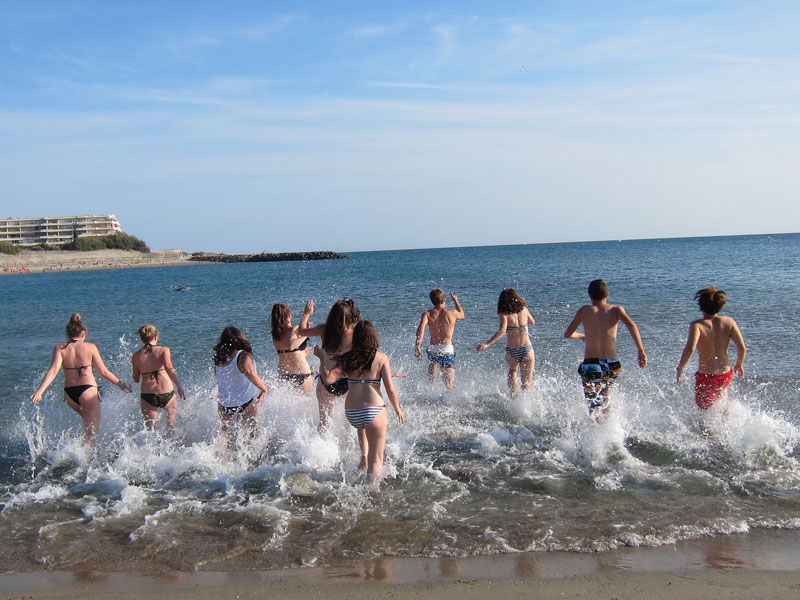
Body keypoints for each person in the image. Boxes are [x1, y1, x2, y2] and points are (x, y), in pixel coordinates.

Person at [30, 313, 131, 446]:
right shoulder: (90, 347)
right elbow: (104, 372)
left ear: (68, 334)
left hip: (69, 394)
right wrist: (121, 385)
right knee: (92, 432)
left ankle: (77, 453)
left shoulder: (60, 349)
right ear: (83, 334)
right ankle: (87, 462)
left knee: (87, 425)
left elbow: (53, 371)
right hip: (87, 391)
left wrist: (39, 392)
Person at [564, 279, 647, 423]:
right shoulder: (616, 310)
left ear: (590, 296)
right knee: (605, 394)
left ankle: (599, 433)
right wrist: (640, 350)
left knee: (593, 401)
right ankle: (610, 428)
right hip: (613, 363)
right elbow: (632, 326)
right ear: (607, 294)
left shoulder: (585, 310)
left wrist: (583, 336)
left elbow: (568, 334)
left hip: (592, 364)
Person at [341, 320, 405, 483]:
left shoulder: (347, 358)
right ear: (373, 337)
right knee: (376, 461)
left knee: (363, 429)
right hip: (373, 411)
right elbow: (390, 389)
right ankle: (372, 498)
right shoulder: (381, 358)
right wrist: (397, 409)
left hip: (352, 413)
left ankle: (364, 455)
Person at [297, 298, 361, 433]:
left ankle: (322, 450)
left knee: (324, 423)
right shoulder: (355, 332)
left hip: (326, 383)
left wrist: (307, 314)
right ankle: (349, 446)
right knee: (349, 421)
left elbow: (301, 331)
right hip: (347, 382)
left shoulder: (323, 330)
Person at [677, 287, 746, 411]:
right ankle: (726, 425)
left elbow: (690, 349)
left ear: (700, 306)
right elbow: (741, 347)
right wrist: (739, 364)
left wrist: (681, 368)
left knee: (704, 409)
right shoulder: (729, 322)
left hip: (706, 375)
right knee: (723, 398)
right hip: (725, 373)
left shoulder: (697, 325)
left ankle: (705, 429)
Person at [213, 326, 268, 446]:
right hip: (245, 402)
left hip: (224, 404)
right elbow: (250, 373)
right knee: (253, 430)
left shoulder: (218, 359)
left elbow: (218, 377)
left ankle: (219, 457)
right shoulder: (242, 356)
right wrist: (264, 389)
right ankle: (255, 458)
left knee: (225, 433)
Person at [476, 288, 536, 395]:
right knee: (526, 382)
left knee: (513, 371)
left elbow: (502, 331)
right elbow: (532, 321)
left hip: (512, 350)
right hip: (527, 349)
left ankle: (513, 398)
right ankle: (525, 404)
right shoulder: (524, 309)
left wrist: (487, 343)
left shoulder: (504, 314)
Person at [131, 324, 186, 435]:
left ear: (142, 338)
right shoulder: (163, 350)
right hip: (167, 392)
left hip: (148, 395)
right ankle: (173, 450)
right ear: (155, 337)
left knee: (151, 432)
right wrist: (179, 387)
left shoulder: (136, 356)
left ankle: (153, 452)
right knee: (171, 426)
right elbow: (169, 368)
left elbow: (136, 379)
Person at [415, 289, 465, 390]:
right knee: (449, 385)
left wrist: (418, 345)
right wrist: (456, 300)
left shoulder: (427, 314)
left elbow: (421, 330)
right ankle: (449, 404)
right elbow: (462, 315)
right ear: (444, 300)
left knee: (431, 383)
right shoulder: (452, 313)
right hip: (447, 350)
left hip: (433, 349)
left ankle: (431, 398)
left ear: (432, 301)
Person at [270, 303, 314, 395]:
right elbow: (291, 346)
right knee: (304, 405)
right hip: (302, 374)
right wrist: (306, 316)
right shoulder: (294, 329)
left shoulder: (275, 336)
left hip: (284, 375)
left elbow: (288, 352)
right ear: (289, 315)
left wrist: (303, 352)